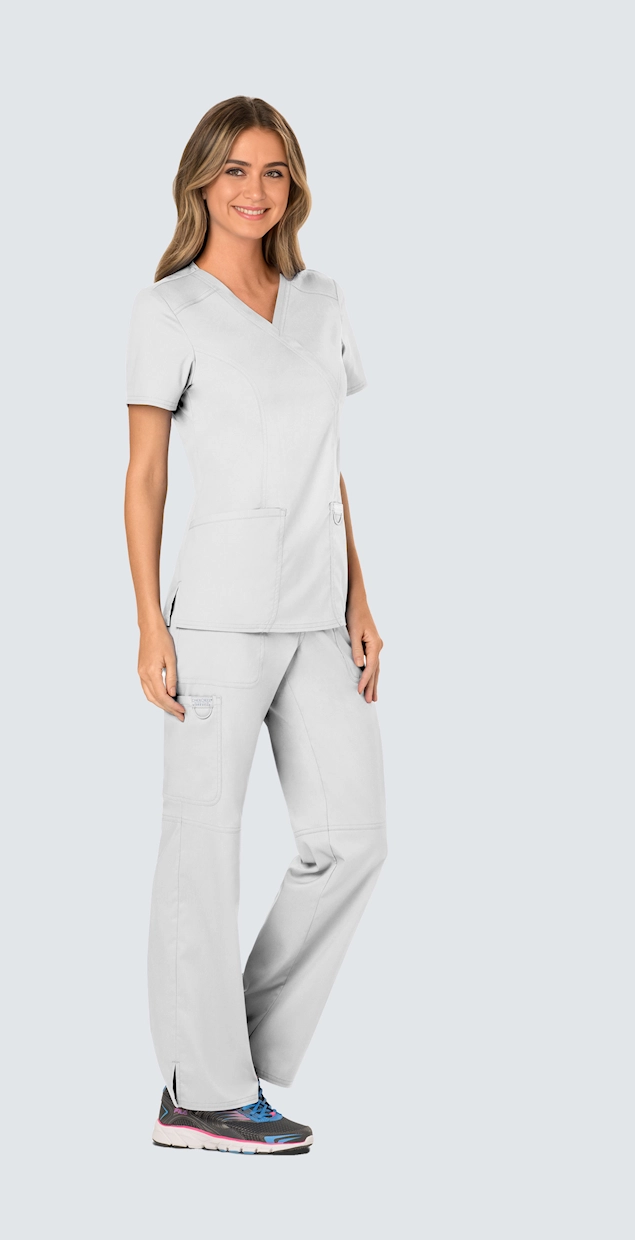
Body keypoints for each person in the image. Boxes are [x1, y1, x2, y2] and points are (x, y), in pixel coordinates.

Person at [123, 96, 387, 1155]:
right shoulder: (171, 309)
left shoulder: (322, 302)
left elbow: (331, 469)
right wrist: (149, 623)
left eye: (273, 171)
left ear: (294, 186)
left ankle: (222, 1061)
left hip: (317, 613)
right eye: (234, 169)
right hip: (218, 618)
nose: (254, 189)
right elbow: (144, 477)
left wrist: (361, 599)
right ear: (201, 181)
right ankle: (206, 1091)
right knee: (204, 845)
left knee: (354, 839)